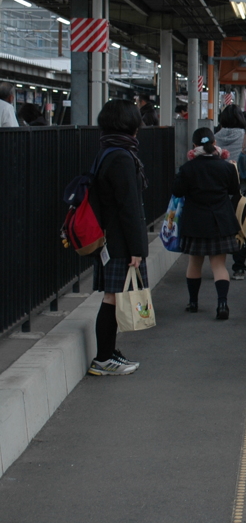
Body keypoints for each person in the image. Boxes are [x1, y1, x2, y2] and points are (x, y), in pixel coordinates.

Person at [87, 99, 148, 375]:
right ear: (130, 123)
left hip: (110, 236)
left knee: (113, 296)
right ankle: (103, 358)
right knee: (112, 297)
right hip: (119, 239)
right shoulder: (122, 157)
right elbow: (129, 207)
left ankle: (109, 353)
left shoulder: (107, 151)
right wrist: (137, 248)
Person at [172, 128, 241, 319]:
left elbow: (177, 192)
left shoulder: (187, 168)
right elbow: (234, 190)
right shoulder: (226, 167)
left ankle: (193, 303)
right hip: (221, 221)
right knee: (219, 266)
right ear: (214, 144)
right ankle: (222, 304)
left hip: (195, 222)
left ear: (194, 146)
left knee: (194, 263)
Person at [215, 104, 246, 279]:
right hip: (244, 190)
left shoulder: (215, 137)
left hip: (221, 191)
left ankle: (218, 268)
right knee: (241, 227)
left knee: (222, 229)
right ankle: (239, 268)